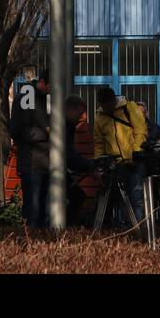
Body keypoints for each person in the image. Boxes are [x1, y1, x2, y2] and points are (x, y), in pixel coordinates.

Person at [93, 87, 147, 228]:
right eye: (104, 106)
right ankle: (123, 228)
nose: (106, 109)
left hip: (133, 161)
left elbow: (140, 130)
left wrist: (136, 152)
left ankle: (136, 229)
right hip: (115, 164)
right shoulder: (100, 118)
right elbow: (99, 143)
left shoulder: (129, 108)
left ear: (113, 100)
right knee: (118, 199)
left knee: (136, 196)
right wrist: (100, 163)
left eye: (108, 105)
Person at [9, 72, 51, 229]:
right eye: (50, 86)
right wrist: (46, 133)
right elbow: (18, 131)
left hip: (44, 162)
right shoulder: (28, 95)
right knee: (34, 210)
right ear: (42, 82)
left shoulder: (39, 97)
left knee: (44, 211)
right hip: (33, 162)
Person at [64, 95, 97, 227]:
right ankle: (65, 227)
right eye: (81, 112)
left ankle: (66, 226)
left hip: (59, 168)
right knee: (77, 196)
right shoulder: (64, 125)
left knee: (77, 195)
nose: (83, 117)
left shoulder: (69, 125)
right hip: (49, 170)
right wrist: (87, 165)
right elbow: (67, 152)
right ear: (71, 110)